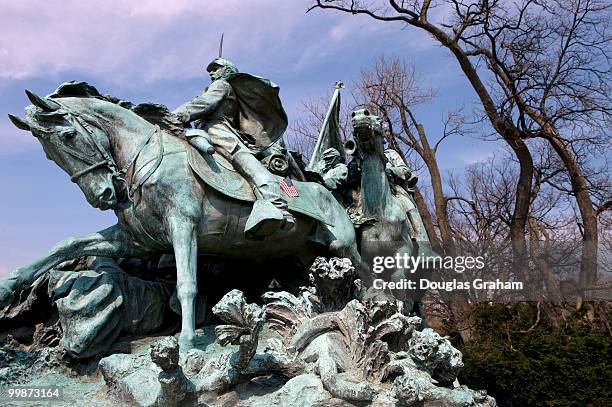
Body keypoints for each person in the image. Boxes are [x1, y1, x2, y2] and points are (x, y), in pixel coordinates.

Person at [172, 58, 294, 237]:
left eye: (216, 68)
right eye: (211, 70)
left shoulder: (221, 85)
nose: (212, 73)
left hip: (219, 132)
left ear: (227, 70)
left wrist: (173, 116)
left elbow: (204, 104)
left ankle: (276, 204)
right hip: (203, 133)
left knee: (247, 163)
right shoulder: (220, 85)